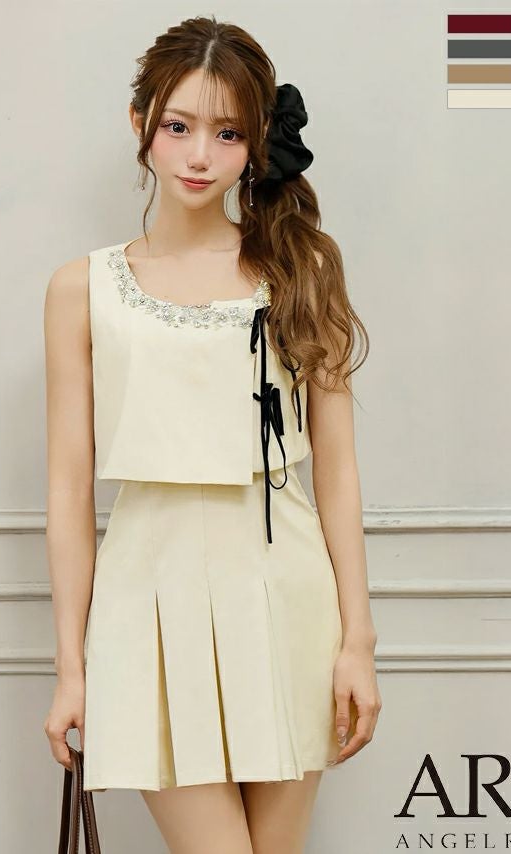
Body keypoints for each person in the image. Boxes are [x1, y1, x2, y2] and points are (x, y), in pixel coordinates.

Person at [43, 14, 381, 854]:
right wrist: (72, 669)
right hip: (147, 603)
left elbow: (337, 470)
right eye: (177, 126)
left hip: (286, 592)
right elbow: (68, 488)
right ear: (140, 123)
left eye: (228, 133)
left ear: (257, 142)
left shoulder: (299, 268)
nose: (200, 155)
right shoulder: (82, 288)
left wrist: (358, 641)